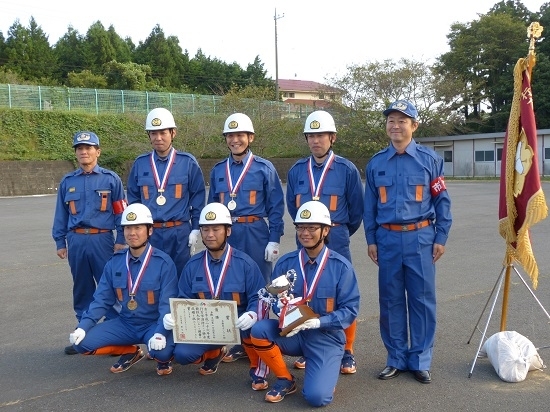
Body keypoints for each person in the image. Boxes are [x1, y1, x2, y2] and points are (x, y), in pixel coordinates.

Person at [363, 100, 452, 384]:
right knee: (390, 301)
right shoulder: (376, 163)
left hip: (421, 238)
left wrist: (441, 236)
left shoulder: (430, 160)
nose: (395, 125)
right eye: (391, 120)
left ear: (414, 125)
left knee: (422, 301)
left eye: (402, 120)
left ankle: (420, 359)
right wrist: (371, 239)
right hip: (387, 238)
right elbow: (370, 206)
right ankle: (396, 358)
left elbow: (442, 201)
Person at [250, 201, 360, 406]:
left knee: (316, 398)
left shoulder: (341, 267)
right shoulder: (285, 263)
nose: (304, 233)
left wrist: (320, 322)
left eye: (311, 227)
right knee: (259, 330)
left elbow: (350, 310)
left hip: (325, 338)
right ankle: (285, 379)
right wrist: (280, 307)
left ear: (325, 230)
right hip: (293, 334)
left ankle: (328, 367)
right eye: (300, 227)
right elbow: (273, 297)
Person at [286, 110, 363, 373]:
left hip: (337, 236)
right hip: (306, 239)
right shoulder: (297, 170)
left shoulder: (346, 169)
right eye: (311, 135)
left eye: (321, 135)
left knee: (341, 294)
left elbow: (356, 210)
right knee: (308, 290)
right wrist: (308, 231)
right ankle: (310, 346)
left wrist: (335, 232)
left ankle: (347, 350)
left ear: (333, 137)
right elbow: (291, 206)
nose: (316, 140)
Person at [163, 202, 270, 390]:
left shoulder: (245, 264)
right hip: (209, 327)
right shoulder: (192, 265)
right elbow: (183, 299)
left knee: (258, 329)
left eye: (215, 229)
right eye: (205, 230)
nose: (210, 234)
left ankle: (258, 370)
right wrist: (174, 316)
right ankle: (214, 353)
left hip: (240, 326)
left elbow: (259, 297)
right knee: (182, 354)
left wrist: (252, 314)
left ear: (228, 231)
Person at [208, 112, 285, 363]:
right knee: (231, 285)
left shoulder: (264, 168)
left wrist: (274, 238)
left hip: (254, 231)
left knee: (260, 286)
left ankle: (260, 338)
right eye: (230, 135)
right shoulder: (219, 170)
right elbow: (212, 206)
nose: (235, 140)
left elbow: (275, 206)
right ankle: (242, 341)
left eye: (240, 135)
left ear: (250, 137)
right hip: (227, 232)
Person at [68, 203, 178, 376]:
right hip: (126, 323)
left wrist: (160, 333)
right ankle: (131, 352)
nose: (132, 233)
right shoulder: (115, 262)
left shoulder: (163, 263)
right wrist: (83, 326)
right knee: (81, 344)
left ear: (149, 230)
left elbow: (167, 304)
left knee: (163, 351)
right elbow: (102, 299)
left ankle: (162, 359)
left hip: (153, 324)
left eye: (137, 227)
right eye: (127, 228)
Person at [52, 131, 127, 356]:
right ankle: (83, 334)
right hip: (76, 240)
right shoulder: (68, 182)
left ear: (98, 151)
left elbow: (121, 212)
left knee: (110, 287)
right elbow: (61, 215)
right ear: (76, 153)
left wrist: (121, 239)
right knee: (82, 287)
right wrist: (60, 241)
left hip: (102, 239)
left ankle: (115, 335)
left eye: (88, 148)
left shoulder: (111, 179)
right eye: (79, 148)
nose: (84, 152)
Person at [127, 107, 206, 277]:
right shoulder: (140, 164)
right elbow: (133, 200)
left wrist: (195, 228)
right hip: (150, 233)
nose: (158, 138)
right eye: (153, 133)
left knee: (181, 278)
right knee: (151, 278)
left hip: (179, 233)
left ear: (173, 133)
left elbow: (198, 198)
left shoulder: (188, 163)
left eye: (163, 132)